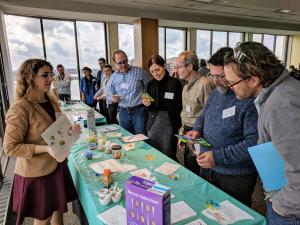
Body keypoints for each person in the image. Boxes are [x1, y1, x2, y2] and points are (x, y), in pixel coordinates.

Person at [224, 42, 300, 224]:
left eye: (231, 82)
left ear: (253, 80)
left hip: (290, 211)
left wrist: (280, 205)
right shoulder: (279, 92)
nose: (229, 87)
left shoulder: (281, 105)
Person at [3, 59, 79, 225]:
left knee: (58, 210)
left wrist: (71, 132)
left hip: (58, 166)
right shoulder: (20, 108)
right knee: (42, 218)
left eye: (50, 74)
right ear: (30, 78)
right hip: (37, 173)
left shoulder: (51, 100)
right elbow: (10, 148)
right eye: (45, 75)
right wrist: (46, 149)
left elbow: (58, 131)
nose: (50, 79)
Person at [187, 47, 258, 207]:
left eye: (222, 76)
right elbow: (204, 115)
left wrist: (217, 157)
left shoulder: (248, 100)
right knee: (208, 209)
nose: (216, 81)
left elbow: (253, 143)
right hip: (209, 166)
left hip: (235, 176)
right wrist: (197, 129)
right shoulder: (217, 92)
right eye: (213, 75)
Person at [175, 51, 215, 174]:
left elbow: (211, 115)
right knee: (189, 170)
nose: (176, 71)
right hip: (188, 135)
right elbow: (185, 114)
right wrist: (182, 135)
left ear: (190, 67)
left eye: (178, 67)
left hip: (200, 137)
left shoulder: (205, 84)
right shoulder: (185, 86)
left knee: (201, 174)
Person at [142, 55, 182, 160]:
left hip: (170, 123)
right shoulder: (150, 84)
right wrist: (146, 103)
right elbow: (148, 106)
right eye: (152, 71)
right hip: (153, 123)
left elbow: (179, 106)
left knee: (169, 154)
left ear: (164, 66)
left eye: (157, 69)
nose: (155, 74)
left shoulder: (175, 83)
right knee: (154, 154)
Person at [107, 49, 148, 134]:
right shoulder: (113, 77)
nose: (123, 65)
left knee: (141, 138)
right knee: (126, 137)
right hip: (123, 112)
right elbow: (110, 94)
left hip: (139, 111)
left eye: (124, 61)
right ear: (115, 63)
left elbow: (148, 88)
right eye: (120, 63)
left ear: (127, 59)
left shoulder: (139, 71)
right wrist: (113, 99)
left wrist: (146, 101)